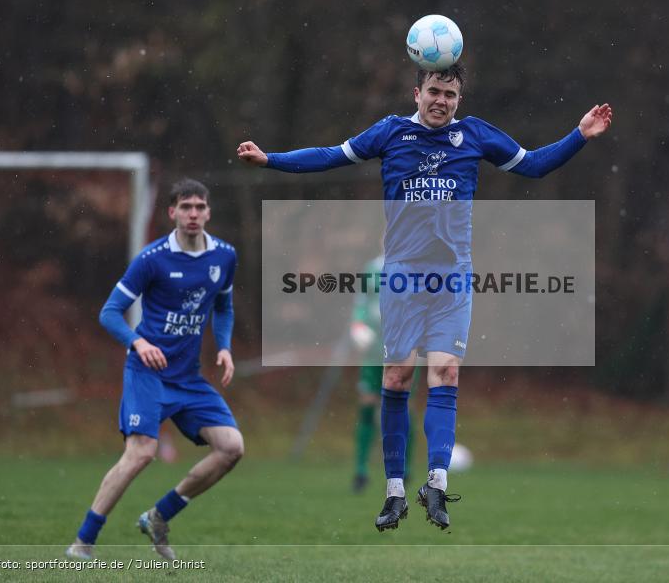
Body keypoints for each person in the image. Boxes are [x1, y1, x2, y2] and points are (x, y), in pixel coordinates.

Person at [237, 63, 612, 531]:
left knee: (446, 371)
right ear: (417, 93)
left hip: (453, 279)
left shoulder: (475, 135)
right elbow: (330, 155)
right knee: (396, 379)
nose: (441, 101)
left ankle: (435, 482)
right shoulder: (390, 133)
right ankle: (394, 491)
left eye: (450, 95)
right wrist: (270, 159)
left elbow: (534, 165)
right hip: (402, 281)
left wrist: (579, 134)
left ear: (459, 100)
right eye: (434, 91)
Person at [66, 179, 244, 560]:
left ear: (209, 212)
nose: (193, 214)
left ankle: (159, 515)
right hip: (147, 374)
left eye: (199, 207)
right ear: (172, 213)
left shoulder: (225, 256)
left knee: (231, 448)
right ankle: (82, 543)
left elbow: (224, 307)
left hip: (188, 377)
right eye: (185, 207)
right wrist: (139, 342)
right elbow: (109, 312)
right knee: (141, 453)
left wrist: (225, 348)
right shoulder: (153, 258)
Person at [349, 254, 417, 493]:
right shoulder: (373, 267)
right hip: (374, 349)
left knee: (403, 404)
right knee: (367, 403)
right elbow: (361, 303)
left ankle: (405, 468)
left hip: (402, 346)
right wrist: (357, 326)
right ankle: (361, 470)